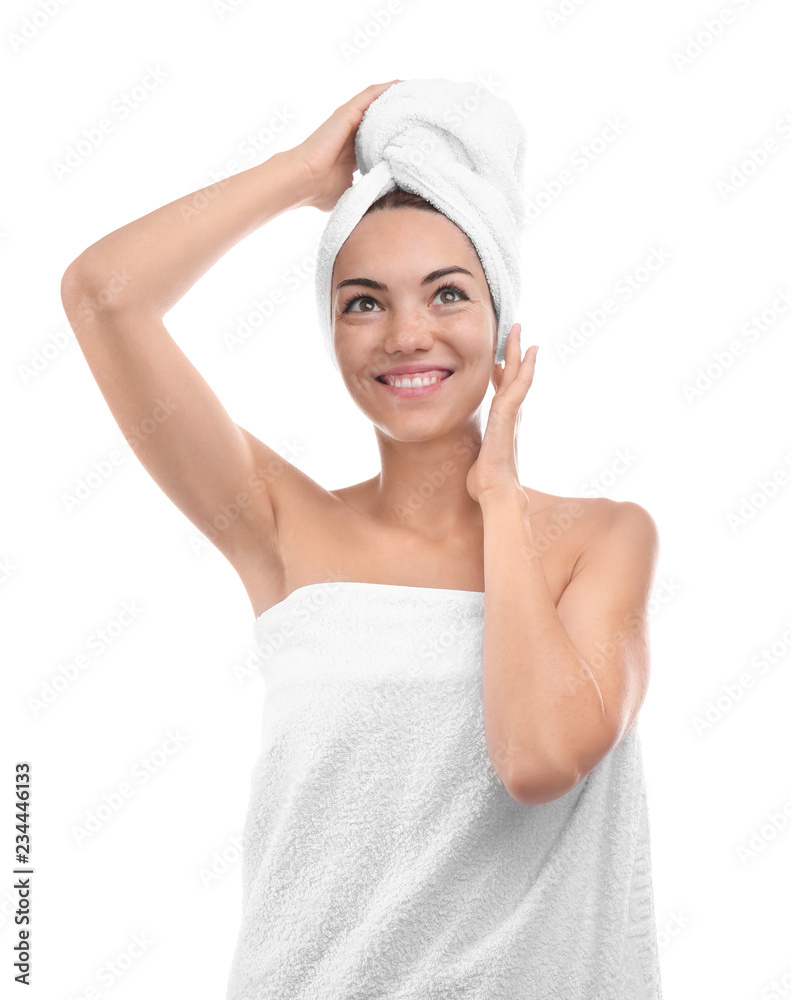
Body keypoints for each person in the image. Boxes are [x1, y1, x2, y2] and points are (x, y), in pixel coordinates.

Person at [60, 80, 663, 999]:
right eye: (363, 302)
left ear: (500, 319)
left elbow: (536, 759)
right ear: (331, 331)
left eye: (448, 293)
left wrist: (498, 495)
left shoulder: (600, 540)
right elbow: (104, 294)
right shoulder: (280, 529)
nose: (406, 334)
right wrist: (300, 176)